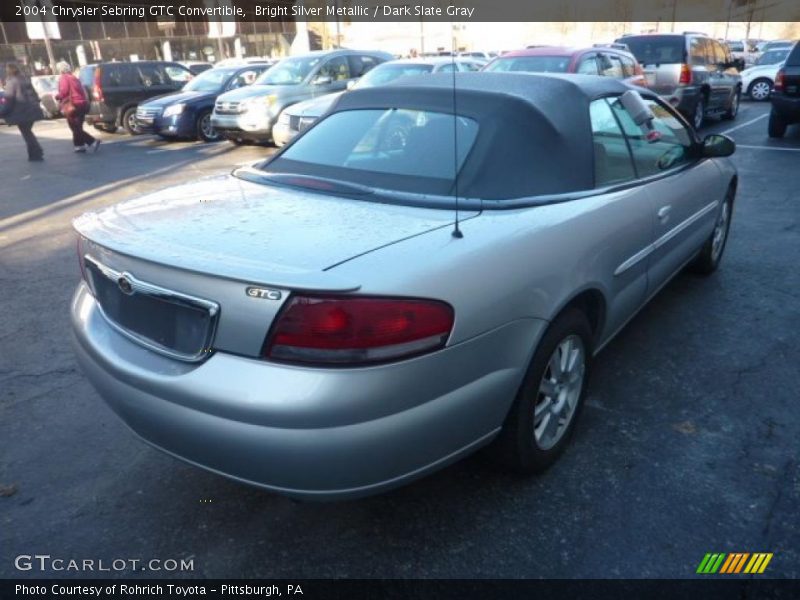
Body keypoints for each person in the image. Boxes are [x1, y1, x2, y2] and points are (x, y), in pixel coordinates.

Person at [55, 61, 100, 153]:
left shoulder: (64, 78)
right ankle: (79, 146)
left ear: (60, 70)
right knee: (78, 126)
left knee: (75, 127)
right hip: (82, 104)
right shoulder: (74, 77)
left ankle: (92, 141)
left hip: (73, 105)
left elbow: (64, 92)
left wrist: (57, 96)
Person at [3, 63, 44, 161]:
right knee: (28, 132)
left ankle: (36, 153)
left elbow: (9, 100)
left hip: (22, 113)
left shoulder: (11, 83)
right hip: (32, 110)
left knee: (27, 134)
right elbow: (35, 95)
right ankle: (34, 153)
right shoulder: (25, 80)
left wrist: (3, 111)